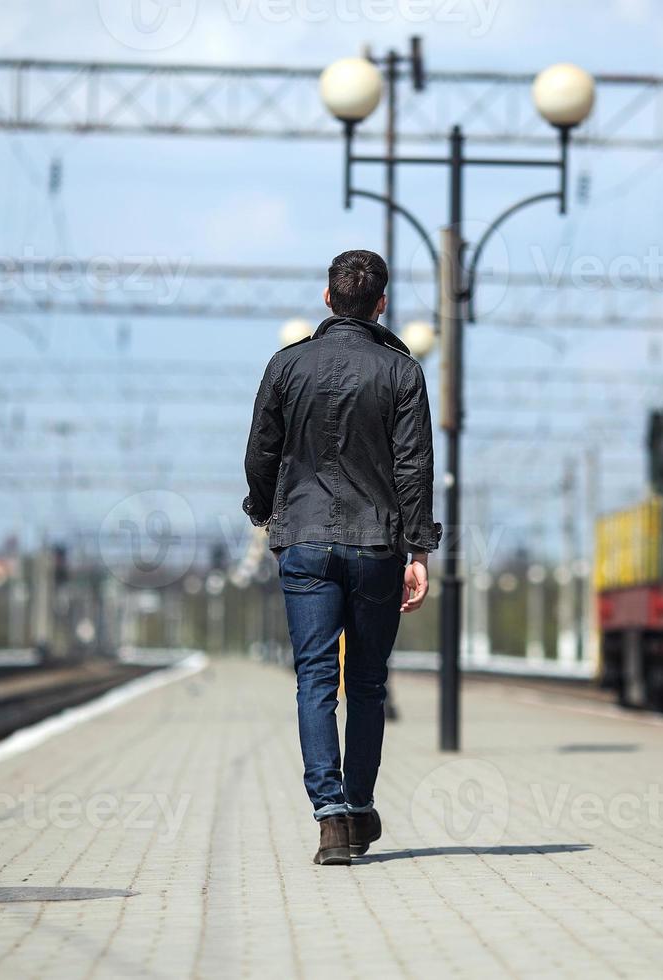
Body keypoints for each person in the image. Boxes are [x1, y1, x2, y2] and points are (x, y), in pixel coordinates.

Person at [243, 249, 440, 866]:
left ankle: (330, 817)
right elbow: (413, 467)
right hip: (377, 545)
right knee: (369, 684)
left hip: (302, 540)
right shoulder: (402, 373)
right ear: (381, 304)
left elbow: (261, 451)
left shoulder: (285, 365)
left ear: (328, 299)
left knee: (315, 680)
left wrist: (260, 508)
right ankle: (357, 807)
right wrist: (419, 550)